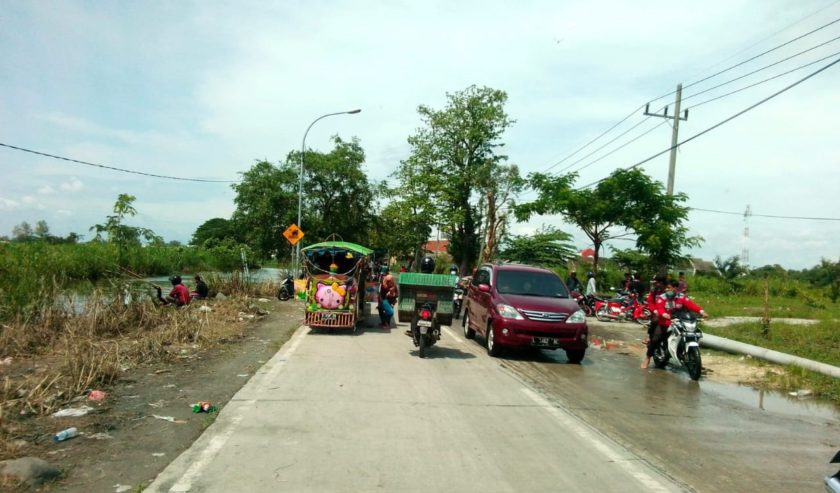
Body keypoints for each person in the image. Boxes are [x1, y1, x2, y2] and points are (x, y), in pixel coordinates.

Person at [642, 279, 707, 369]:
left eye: (669, 288)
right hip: (664, 322)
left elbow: (691, 305)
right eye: (666, 288)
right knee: (656, 339)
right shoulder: (662, 297)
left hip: (679, 321)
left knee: (692, 333)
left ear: (675, 288)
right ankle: (647, 358)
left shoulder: (682, 297)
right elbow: (660, 308)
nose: (666, 290)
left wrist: (701, 311)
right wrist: (664, 314)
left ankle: (687, 354)